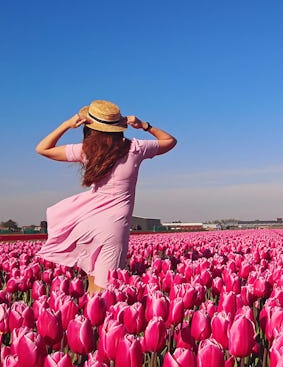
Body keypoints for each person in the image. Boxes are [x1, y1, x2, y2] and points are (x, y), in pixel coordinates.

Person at [35, 99, 177, 293]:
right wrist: (144, 125)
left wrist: (67, 124)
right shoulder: (135, 148)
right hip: (114, 225)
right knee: (105, 290)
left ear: (89, 127)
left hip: (88, 220)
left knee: (93, 284)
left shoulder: (87, 150)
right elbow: (170, 141)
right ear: (119, 126)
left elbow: (43, 148)